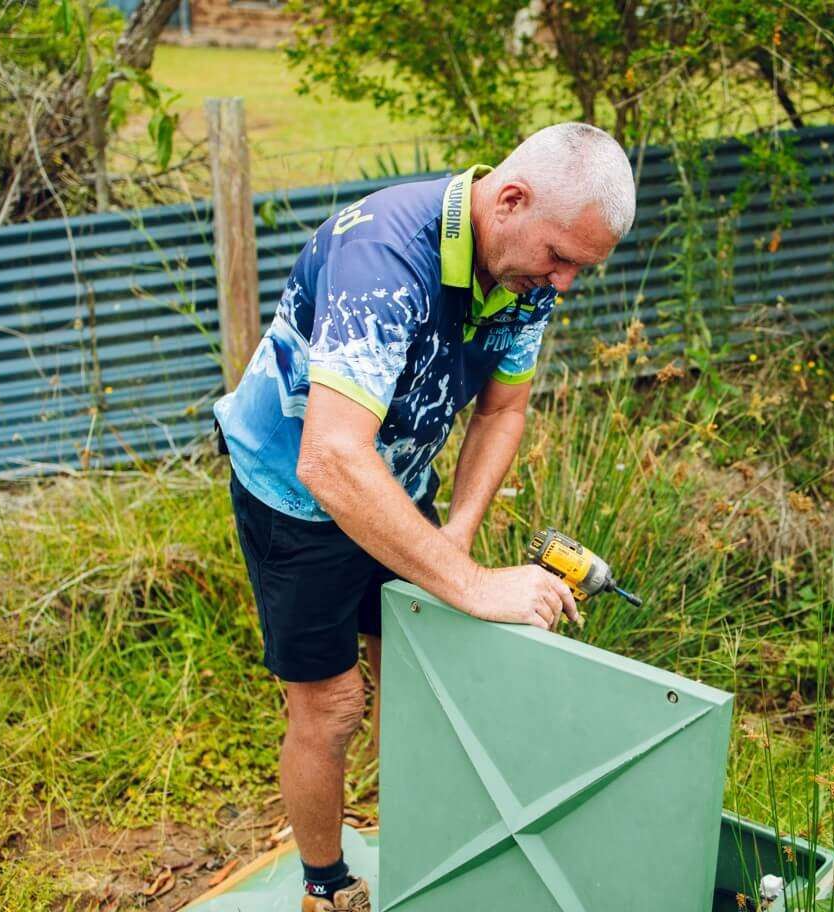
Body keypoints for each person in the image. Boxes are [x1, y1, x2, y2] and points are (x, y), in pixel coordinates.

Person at [212, 122, 637, 911]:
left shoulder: (524, 276)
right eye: (562, 258)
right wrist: (470, 584)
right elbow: (330, 459)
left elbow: (501, 412)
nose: (567, 282)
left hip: (394, 477)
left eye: (583, 267)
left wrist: (455, 537)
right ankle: (326, 884)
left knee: (415, 680)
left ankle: (415, 847)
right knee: (334, 705)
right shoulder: (385, 258)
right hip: (297, 496)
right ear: (509, 200)